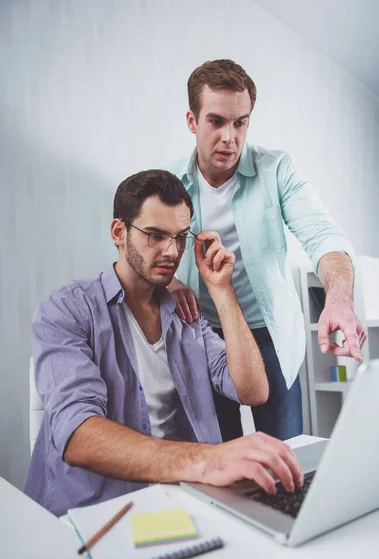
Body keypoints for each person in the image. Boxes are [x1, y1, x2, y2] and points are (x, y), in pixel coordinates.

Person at [23, 169, 303, 517]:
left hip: (181, 502)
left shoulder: (187, 316)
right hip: (94, 511)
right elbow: (78, 434)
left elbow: (253, 391)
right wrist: (208, 460)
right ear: (119, 233)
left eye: (181, 237)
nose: (172, 251)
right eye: (155, 236)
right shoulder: (67, 309)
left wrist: (222, 291)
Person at [169, 59, 367, 442]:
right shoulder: (170, 183)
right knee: (221, 458)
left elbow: (323, 235)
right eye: (216, 122)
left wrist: (339, 299)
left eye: (240, 123)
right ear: (192, 121)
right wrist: (167, 286)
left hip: (270, 335)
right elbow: (147, 252)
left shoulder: (278, 170)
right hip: (205, 337)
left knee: (284, 458)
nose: (229, 137)